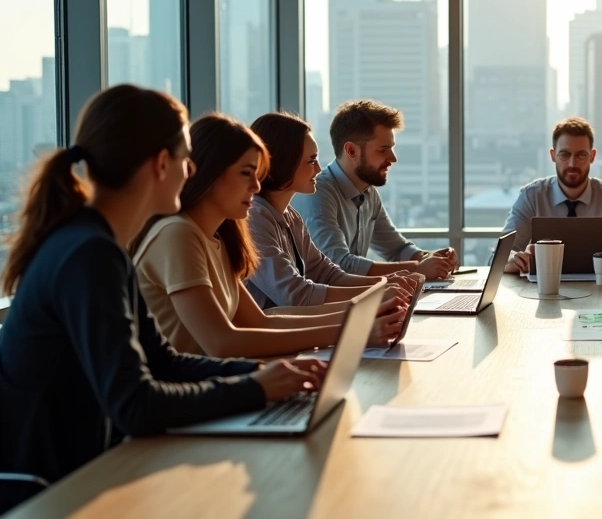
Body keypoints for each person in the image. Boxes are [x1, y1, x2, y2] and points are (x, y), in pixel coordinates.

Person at [0, 85, 324, 511]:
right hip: (55, 491)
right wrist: (253, 389)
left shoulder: (100, 246)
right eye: (186, 159)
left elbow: (163, 361)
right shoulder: (88, 253)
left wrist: (267, 374)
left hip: (89, 469)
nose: (192, 171)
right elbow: (136, 405)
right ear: (160, 164)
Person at [131, 114, 410, 359]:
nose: (256, 186)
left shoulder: (217, 238)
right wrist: (354, 330)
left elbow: (262, 322)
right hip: (188, 405)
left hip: (218, 385)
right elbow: (222, 344)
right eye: (246, 174)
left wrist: (363, 316)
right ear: (211, 174)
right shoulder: (178, 234)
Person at [246, 112, 423, 310]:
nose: (319, 169)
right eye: (311, 160)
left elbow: (328, 274)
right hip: (271, 338)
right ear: (283, 162)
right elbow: (297, 295)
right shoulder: (254, 219)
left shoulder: (290, 217)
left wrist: (386, 283)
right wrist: (378, 291)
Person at [294, 100, 457, 281]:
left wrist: (429, 258)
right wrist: (417, 269)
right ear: (351, 151)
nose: (393, 158)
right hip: (322, 307)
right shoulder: (318, 192)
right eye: (383, 150)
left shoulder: (368, 193)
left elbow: (397, 249)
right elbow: (339, 264)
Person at [502, 117, 602, 275]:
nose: (572, 164)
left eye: (581, 155)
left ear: (592, 156)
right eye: (564, 155)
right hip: (544, 290)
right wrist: (512, 260)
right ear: (553, 156)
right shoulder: (531, 196)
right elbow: (499, 256)